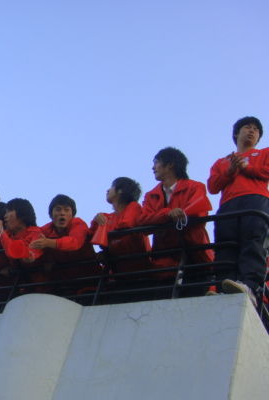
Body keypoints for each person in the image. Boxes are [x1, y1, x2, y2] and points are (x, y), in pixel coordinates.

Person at [207, 116, 269, 306]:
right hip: (228, 204)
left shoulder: (264, 153)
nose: (252, 131)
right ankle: (223, 287)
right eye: (247, 127)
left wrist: (247, 167)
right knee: (226, 246)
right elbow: (213, 186)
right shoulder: (222, 161)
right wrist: (230, 170)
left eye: (256, 129)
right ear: (236, 133)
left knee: (253, 242)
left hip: (256, 199)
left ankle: (250, 286)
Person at [140, 147, 213, 293]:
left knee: (197, 293)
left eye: (156, 162)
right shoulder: (150, 195)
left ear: (170, 164)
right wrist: (168, 214)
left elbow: (199, 213)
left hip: (194, 255)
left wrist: (165, 217)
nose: (153, 167)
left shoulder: (195, 187)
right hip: (164, 261)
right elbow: (142, 221)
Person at [30, 194, 100, 294]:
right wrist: (30, 257)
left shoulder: (78, 224)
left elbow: (74, 242)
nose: (62, 213)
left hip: (90, 281)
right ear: (51, 214)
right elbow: (33, 246)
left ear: (72, 215)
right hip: (63, 284)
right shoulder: (45, 230)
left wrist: (48, 242)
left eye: (67, 210)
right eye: (58, 209)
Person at [90, 177, 151, 275]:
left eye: (111, 187)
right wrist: (95, 221)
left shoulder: (134, 207)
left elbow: (125, 225)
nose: (107, 190)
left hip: (139, 271)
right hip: (120, 273)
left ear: (120, 191)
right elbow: (89, 234)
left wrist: (105, 236)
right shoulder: (108, 217)